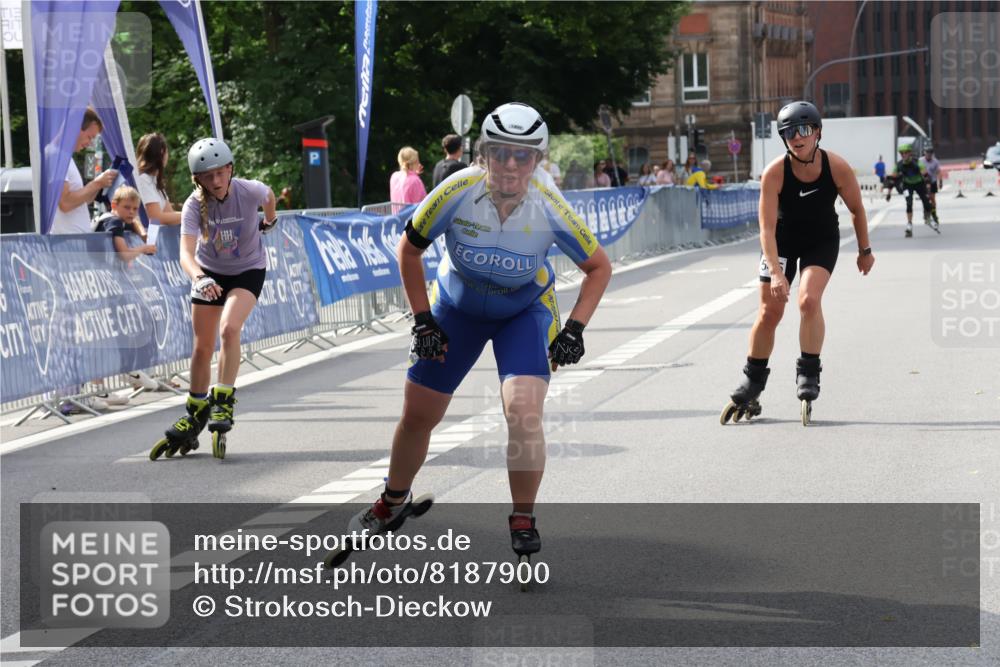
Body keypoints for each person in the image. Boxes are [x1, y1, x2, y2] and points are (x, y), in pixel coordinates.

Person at [343, 102, 611, 560]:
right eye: (500, 153)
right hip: (456, 308)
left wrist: (575, 328)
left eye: (522, 156)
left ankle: (523, 516)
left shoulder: (549, 206)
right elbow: (408, 251)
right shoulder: (457, 190)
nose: (510, 165)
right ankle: (391, 502)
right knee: (420, 413)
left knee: (523, 409)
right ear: (483, 152)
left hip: (522, 313)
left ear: (538, 160)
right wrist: (423, 319)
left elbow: (599, 267)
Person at [721, 100, 874, 425]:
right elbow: (766, 228)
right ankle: (752, 381)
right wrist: (776, 273)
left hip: (821, 240)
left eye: (804, 130)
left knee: (808, 301)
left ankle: (808, 373)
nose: (797, 137)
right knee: (769, 312)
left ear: (818, 132)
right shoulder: (775, 173)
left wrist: (865, 250)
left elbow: (857, 210)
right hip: (782, 242)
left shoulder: (837, 167)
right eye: (789, 132)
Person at [154, 138, 278, 460]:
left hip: (248, 269)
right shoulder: (194, 206)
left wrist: (269, 219)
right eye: (208, 176)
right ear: (198, 180)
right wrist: (199, 277)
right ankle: (196, 408)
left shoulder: (248, 190)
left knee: (229, 329)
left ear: (231, 169)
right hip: (208, 273)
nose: (217, 181)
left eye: (221, 173)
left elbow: (269, 195)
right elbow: (184, 253)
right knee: (202, 346)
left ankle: (222, 399)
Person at [51, 107, 118, 235]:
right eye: (90, 137)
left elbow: (81, 201)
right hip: (67, 243)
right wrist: (97, 184)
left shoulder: (63, 157)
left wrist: (101, 184)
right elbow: (65, 203)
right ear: (75, 128)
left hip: (72, 241)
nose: (90, 143)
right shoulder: (57, 156)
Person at [135, 132, 181, 226]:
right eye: (167, 152)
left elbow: (169, 215)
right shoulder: (143, 181)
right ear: (162, 153)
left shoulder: (154, 181)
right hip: (147, 239)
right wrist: (191, 214)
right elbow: (156, 218)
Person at [892, 144, 938, 237]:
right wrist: (890, 189)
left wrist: (928, 187)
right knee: (909, 203)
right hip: (907, 185)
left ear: (910, 153)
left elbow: (926, 175)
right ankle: (909, 225)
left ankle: (928, 218)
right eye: (902, 153)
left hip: (919, 184)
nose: (904, 155)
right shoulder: (899, 165)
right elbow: (892, 178)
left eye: (906, 153)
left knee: (926, 203)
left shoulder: (917, 162)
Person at [390, 147, 427, 211]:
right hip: (411, 219)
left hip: (397, 218)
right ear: (415, 162)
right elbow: (423, 204)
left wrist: (415, 174)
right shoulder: (415, 181)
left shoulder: (394, 176)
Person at [921, 146, 942, 216]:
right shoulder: (920, 160)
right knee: (925, 198)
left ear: (932, 154)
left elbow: (939, 172)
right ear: (925, 153)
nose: (928, 155)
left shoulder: (935, 161)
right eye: (927, 153)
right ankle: (926, 212)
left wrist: (940, 181)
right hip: (923, 182)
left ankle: (934, 212)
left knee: (932, 198)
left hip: (932, 181)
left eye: (930, 154)